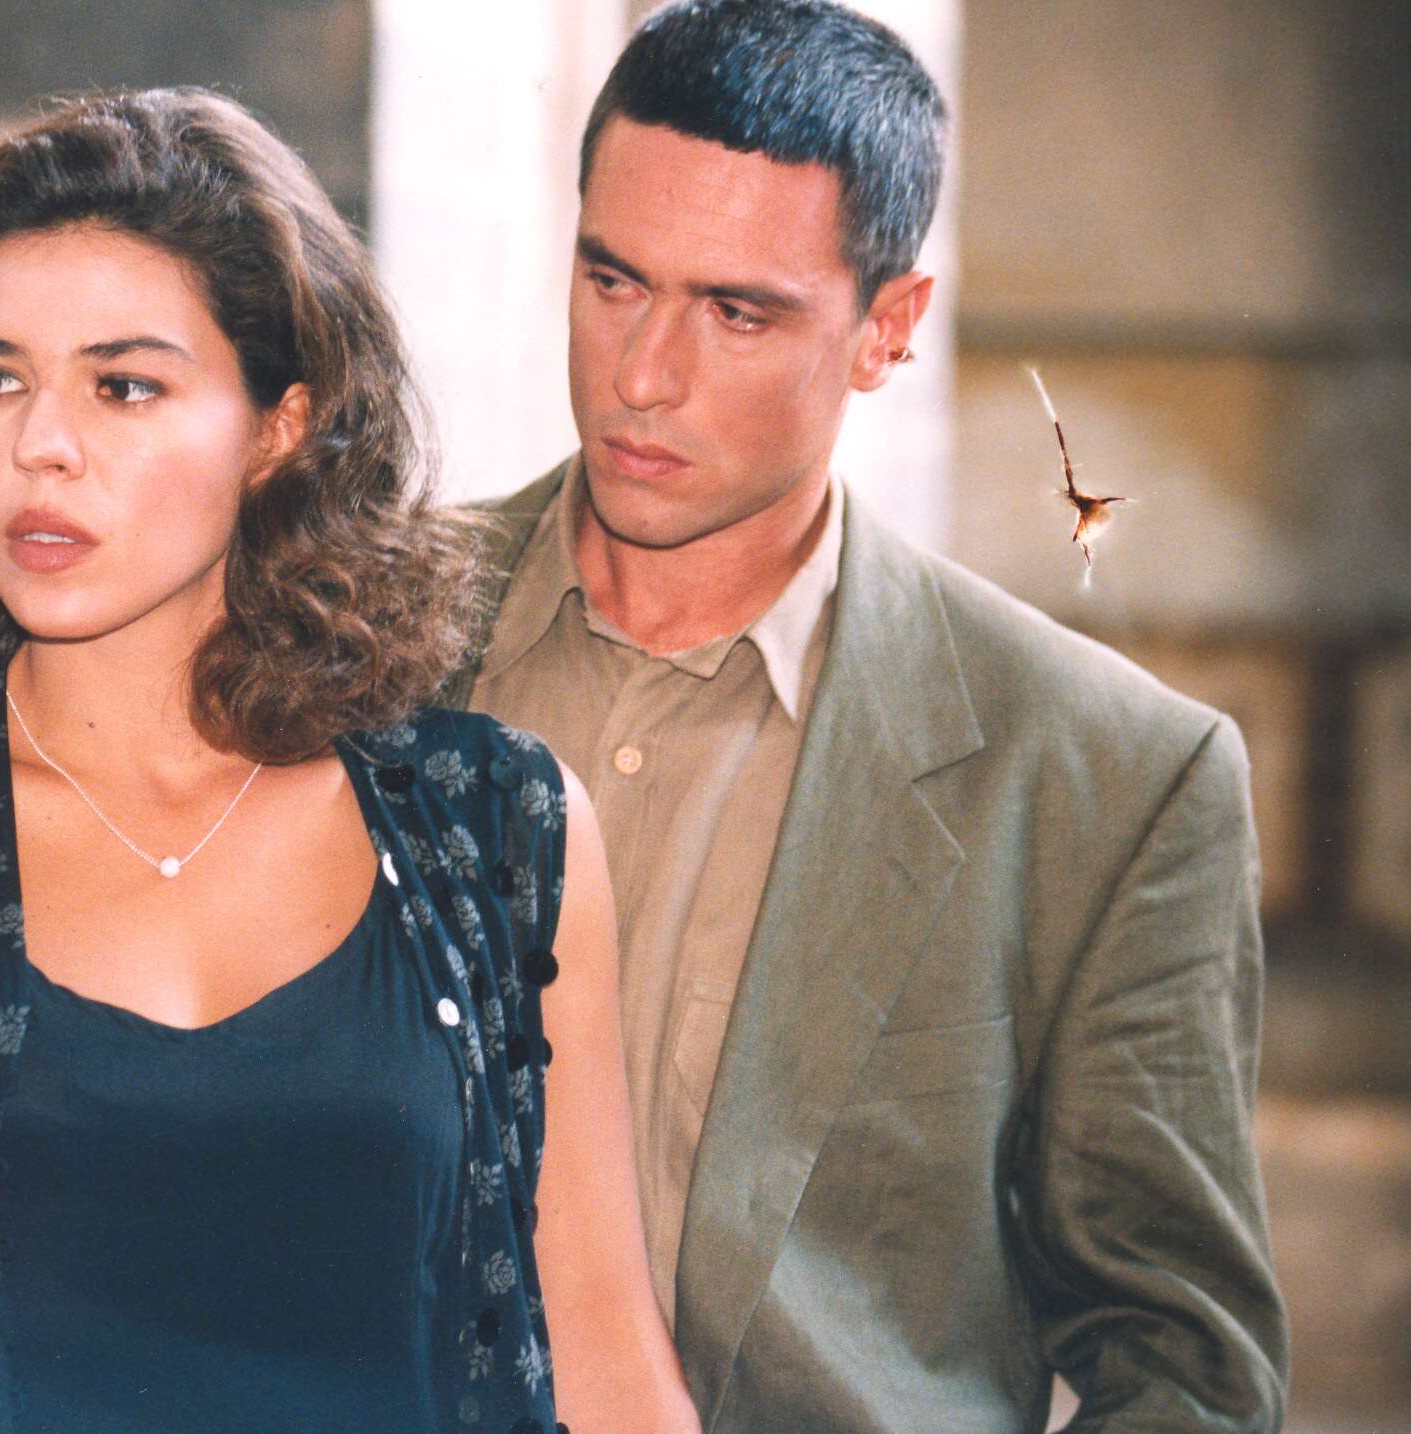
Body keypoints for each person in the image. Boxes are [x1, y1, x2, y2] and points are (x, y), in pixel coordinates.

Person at [0, 89, 698, 1434]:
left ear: (278, 427)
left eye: (124, 386)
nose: (39, 444)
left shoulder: (499, 826)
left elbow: (608, 1370)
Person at [442, 3, 1289, 1430]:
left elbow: (1185, 1368)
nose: (643, 374)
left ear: (888, 329)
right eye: (613, 279)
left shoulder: (1112, 778)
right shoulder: (340, 636)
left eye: (737, 312)